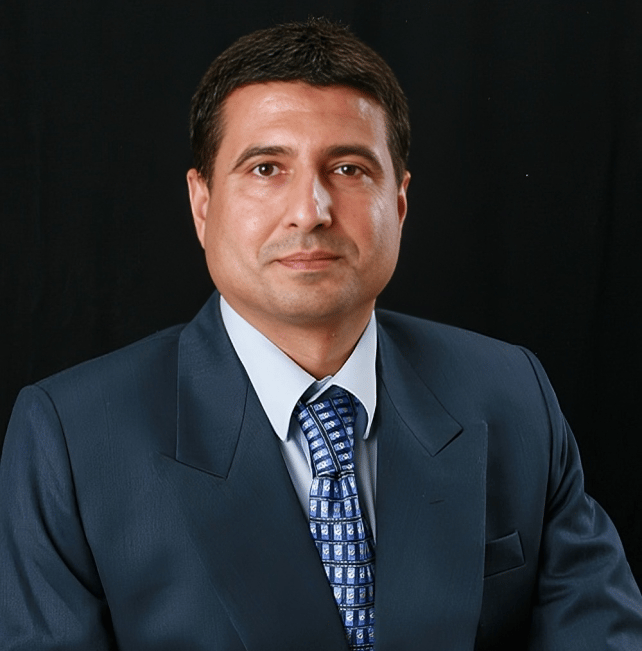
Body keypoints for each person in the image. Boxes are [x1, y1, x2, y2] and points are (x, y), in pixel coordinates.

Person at [1, 17, 641, 651]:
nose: (310, 212)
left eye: (349, 169)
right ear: (202, 204)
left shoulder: (513, 396)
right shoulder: (71, 439)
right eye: (265, 169)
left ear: (400, 202)